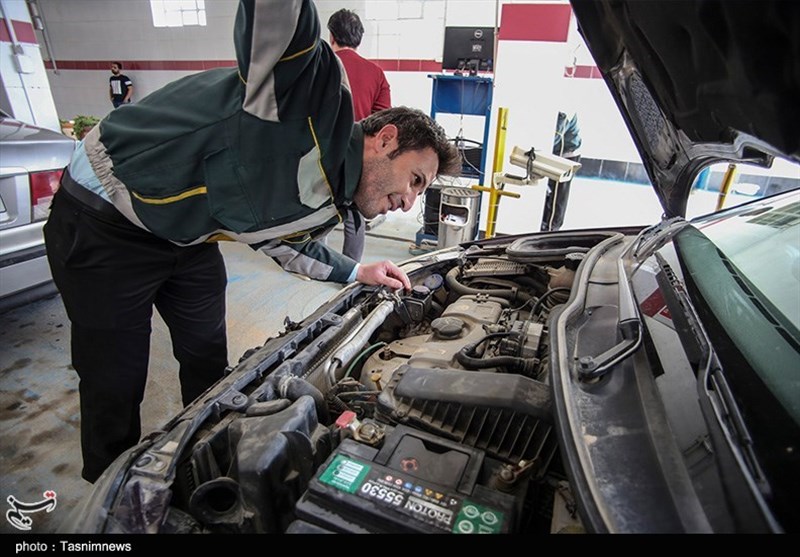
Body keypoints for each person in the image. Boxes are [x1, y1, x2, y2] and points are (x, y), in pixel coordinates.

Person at [44, 0, 460, 483]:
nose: (409, 203)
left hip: (188, 237)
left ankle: (207, 460)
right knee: (115, 376)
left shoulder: (330, 201)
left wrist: (356, 272)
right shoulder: (309, 98)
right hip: (106, 215)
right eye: (415, 180)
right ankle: (108, 493)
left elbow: (283, 242)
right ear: (386, 139)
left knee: (207, 359)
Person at [327, 8, 391, 262]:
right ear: (359, 39)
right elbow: (385, 120)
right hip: (357, 157)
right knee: (355, 214)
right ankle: (351, 268)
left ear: (331, 36)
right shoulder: (376, 74)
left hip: (322, 152)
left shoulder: (321, 67)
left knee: (318, 209)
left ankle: (313, 263)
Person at [540, 111, 581, 231]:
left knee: (555, 206)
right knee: (550, 200)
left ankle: (549, 230)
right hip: (557, 156)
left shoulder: (564, 112)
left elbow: (553, 139)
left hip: (565, 158)